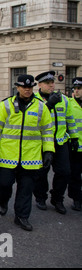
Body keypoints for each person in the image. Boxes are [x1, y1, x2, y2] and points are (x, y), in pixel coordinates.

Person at [0, 74, 55, 231]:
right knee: (3, 185)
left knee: (26, 189)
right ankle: (3, 201)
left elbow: (47, 131)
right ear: (17, 87)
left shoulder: (41, 107)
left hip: (31, 157)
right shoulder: (6, 105)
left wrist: (48, 151)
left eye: (30, 87)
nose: (27, 90)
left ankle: (22, 216)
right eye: (24, 87)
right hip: (7, 156)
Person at [32, 71, 78, 214]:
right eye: (47, 83)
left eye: (52, 83)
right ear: (39, 85)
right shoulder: (33, 100)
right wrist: (49, 105)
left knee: (65, 172)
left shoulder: (63, 99)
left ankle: (57, 198)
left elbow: (70, 119)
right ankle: (40, 197)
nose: (51, 86)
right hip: (42, 142)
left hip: (60, 141)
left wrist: (74, 137)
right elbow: (33, 120)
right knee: (41, 172)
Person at [67, 77, 82, 211]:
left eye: (79, 89)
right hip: (75, 146)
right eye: (75, 89)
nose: (76, 91)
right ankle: (76, 199)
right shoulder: (69, 104)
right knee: (75, 175)